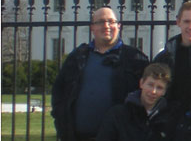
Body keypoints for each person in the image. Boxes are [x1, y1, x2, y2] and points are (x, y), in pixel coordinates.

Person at [52, 7, 149, 141]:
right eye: (100, 22)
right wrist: (60, 118)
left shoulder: (135, 58)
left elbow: (147, 96)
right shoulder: (78, 57)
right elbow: (59, 90)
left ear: (118, 26)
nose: (106, 26)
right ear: (92, 27)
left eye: (111, 21)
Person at [96, 63, 172, 141]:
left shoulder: (170, 120)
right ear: (141, 83)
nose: (153, 91)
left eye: (159, 88)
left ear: (164, 91)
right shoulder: (117, 115)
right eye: (150, 85)